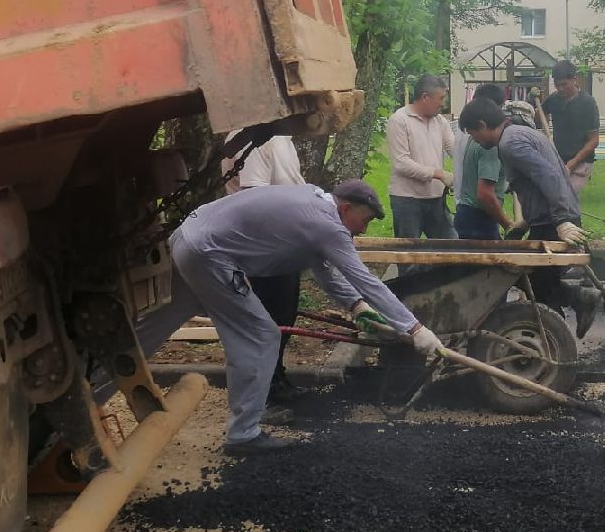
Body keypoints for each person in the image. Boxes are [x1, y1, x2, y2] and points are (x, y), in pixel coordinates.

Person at [170, 180, 444, 456]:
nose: (364, 228)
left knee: (166, 317)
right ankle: (243, 435)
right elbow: (366, 281)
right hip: (208, 253)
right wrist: (415, 329)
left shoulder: (314, 203)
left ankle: (125, 364)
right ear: (346, 208)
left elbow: (325, 271)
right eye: (366, 219)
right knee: (261, 336)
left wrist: (357, 306)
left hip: (188, 236)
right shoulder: (327, 226)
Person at [458, 97, 601, 335]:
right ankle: (571, 310)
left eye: (474, 134)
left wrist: (562, 220)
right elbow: (536, 181)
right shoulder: (522, 134)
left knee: (538, 284)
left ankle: (559, 330)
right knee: (539, 281)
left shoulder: (510, 144)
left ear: (483, 125)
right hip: (546, 219)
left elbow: (550, 177)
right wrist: (526, 219)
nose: (475, 139)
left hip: (553, 222)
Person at [221, 131, 306, 420]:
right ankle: (261, 398)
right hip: (261, 246)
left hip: (284, 243)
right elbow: (255, 199)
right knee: (264, 324)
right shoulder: (251, 138)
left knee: (283, 317)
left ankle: (276, 377)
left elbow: (292, 186)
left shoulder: (282, 137)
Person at [387, 74, 455, 239]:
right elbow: (401, 163)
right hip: (407, 200)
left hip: (436, 198)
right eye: (441, 98)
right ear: (425, 97)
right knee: (409, 254)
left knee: (450, 246)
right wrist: (439, 173)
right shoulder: (399, 120)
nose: (443, 103)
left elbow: (454, 149)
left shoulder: (440, 121)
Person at [454, 83, 513, 239]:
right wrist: (508, 225)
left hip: (466, 212)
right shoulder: (489, 144)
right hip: (479, 217)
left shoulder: (474, 139)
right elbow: (485, 194)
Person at [535, 61, 600, 195]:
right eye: (557, 85)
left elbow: (594, 140)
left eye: (564, 84)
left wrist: (573, 163)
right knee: (551, 199)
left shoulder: (587, 103)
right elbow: (539, 117)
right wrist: (536, 103)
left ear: (574, 79)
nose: (561, 89)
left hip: (581, 163)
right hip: (558, 159)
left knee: (566, 198)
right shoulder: (554, 99)